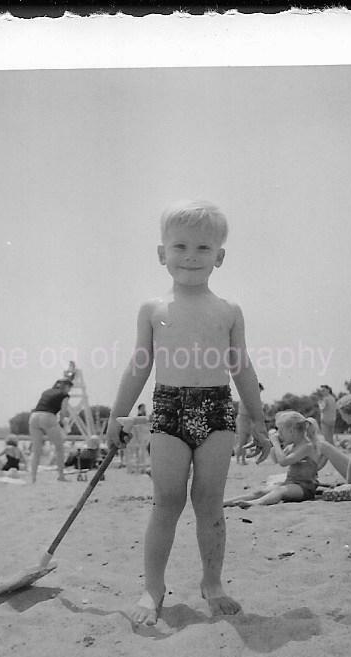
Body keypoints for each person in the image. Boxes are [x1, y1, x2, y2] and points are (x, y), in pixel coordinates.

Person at [106, 199, 271, 627]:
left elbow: (243, 369)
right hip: (167, 410)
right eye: (179, 247)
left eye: (202, 248)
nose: (190, 257)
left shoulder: (229, 310)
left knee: (209, 502)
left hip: (215, 408)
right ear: (162, 253)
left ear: (220, 256)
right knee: (166, 502)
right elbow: (138, 366)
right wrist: (115, 416)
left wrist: (260, 420)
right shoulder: (153, 309)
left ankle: (212, 583)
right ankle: (153, 587)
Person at [224, 411, 327, 507]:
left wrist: (276, 443)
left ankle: (255, 503)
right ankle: (225, 503)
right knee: (259, 492)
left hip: (304, 487)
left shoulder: (307, 446)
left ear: (292, 431)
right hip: (291, 483)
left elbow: (284, 462)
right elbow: (276, 459)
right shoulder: (292, 446)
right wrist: (271, 444)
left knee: (280, 491)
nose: (279, 435)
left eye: (281, 431)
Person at [29, 378, 72, 482]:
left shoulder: (46, 391)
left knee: (36, 450)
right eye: (70, 388)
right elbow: (63, 412)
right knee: (59, 447)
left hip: (34, 417)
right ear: (67, 386)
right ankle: (61, 476)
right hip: (48, 416)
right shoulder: (64, 395)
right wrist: (63, 424)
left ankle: (33, 478)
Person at [234, 383, 264, 464]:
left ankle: (243, 460)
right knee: (242, 440)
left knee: (246, 441)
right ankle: (237, 459)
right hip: (243, 419)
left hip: (250, 420)